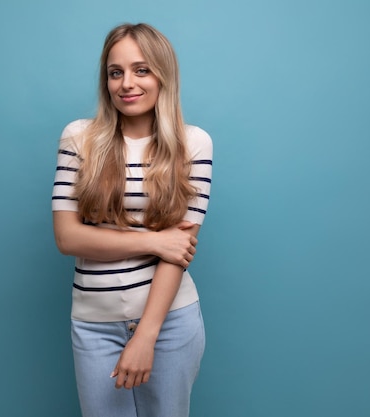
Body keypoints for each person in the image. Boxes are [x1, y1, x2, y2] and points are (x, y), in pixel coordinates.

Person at [52, 22, 213, 417]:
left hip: (169, 323)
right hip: (93, 325)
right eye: (115, 72)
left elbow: (179, 252)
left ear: (163, 75)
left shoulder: (194, 143)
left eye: (141, 70)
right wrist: (153, 241)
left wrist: (146, 336)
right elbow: (67, 238)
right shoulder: (79, 138)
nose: (127, 83)